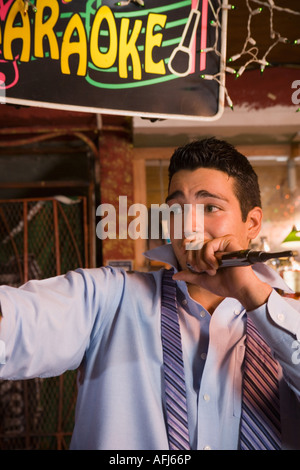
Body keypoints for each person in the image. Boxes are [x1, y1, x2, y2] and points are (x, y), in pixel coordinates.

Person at [0, 137, 300, 450]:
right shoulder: (108, 299)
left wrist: (253, 295)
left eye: (211, 207)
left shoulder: (288, 321)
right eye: (176, 209)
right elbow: (18, 323)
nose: (189, 226)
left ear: (251, 223)